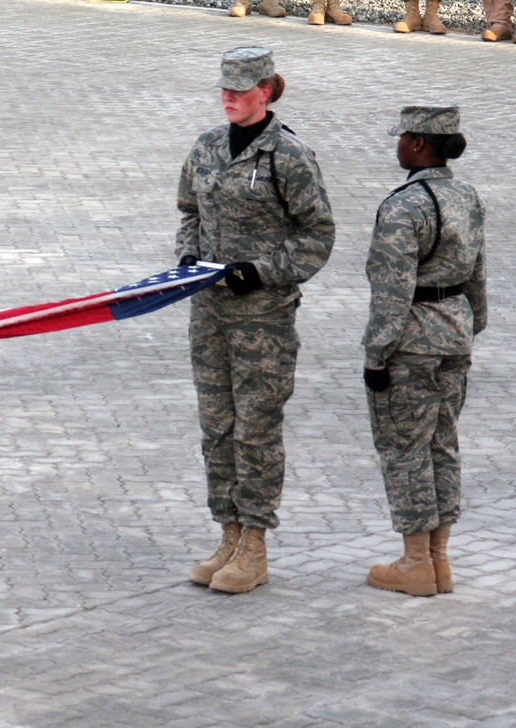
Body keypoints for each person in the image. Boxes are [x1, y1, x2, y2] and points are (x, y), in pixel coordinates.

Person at [176, 47, 335, 594]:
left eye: (239, 90)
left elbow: (318, 236)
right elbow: (189, 214)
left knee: (257, 429)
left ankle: (256, 545)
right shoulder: (205, 147)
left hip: (262, 318)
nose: (228, 97)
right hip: (210, 314)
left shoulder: (287, 156)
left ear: (265, 92)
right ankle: (228, 532)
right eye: (223, 88)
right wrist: (187, 258)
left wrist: (263, 271)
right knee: (217, 426)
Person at [362, 105, 486, 597]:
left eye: (402, 138)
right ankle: (440, 561)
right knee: (443, 444)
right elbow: (478, 272)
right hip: (455, 331)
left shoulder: (402, 207)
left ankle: (415, 562)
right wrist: (471, 324)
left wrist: (376, 356)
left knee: (404, 449)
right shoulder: (468, 196)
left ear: (418, 144)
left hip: (411, 342)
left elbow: (391, 292)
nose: (396, 145)